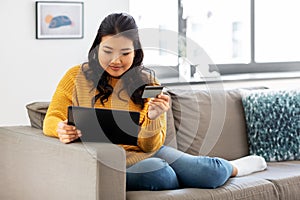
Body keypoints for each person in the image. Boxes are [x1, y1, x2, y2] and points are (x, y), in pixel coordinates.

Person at [43, 12, 267, 191]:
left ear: (136, 51)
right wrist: (60, 128)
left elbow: (150, 146)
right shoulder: (75, 76)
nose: (115, 60)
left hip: (147, 153)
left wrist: (152, 117)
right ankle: (177, 177)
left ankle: (237, 166)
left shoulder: (147, 81)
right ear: (96, 48)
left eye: (125, 53)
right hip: (107, 161)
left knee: (210, 173)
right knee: (160, 173)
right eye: (108, 51)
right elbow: (51, 118)